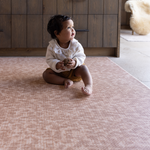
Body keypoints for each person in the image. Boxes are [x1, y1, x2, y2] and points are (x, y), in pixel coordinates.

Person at [43, 15, 93, 96]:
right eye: (68, 28)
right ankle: (64, 80)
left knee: (84, 68)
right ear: (57, 33)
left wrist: (75, 62)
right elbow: (49, 59)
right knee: (46, 74)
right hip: (59, 72)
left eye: (72, 26)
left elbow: (81, 56)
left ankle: (88, 85)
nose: (73, 30)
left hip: (74, 71)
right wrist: (56, 64)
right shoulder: (52, 46)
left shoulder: (76, 44)